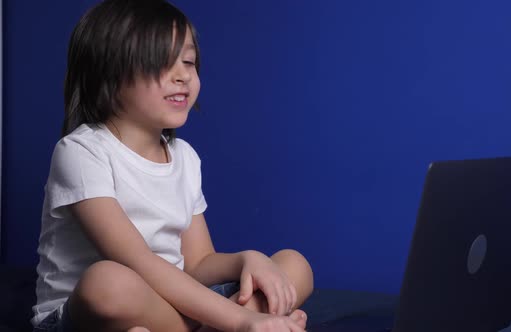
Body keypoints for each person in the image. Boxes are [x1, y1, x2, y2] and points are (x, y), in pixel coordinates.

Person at [31, 0, 314, 331]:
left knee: (293, 265)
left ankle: (233, 323)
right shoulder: (81, 152)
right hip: (94, 309)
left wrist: (247, 259)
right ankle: (246, 324)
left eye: (189, 62)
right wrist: (243, 319)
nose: (183, 76)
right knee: (106, 282)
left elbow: (198, 263)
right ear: (108, 73)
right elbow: (139, 262)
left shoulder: (185, 157)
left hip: (173, 304)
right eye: (162, 63)